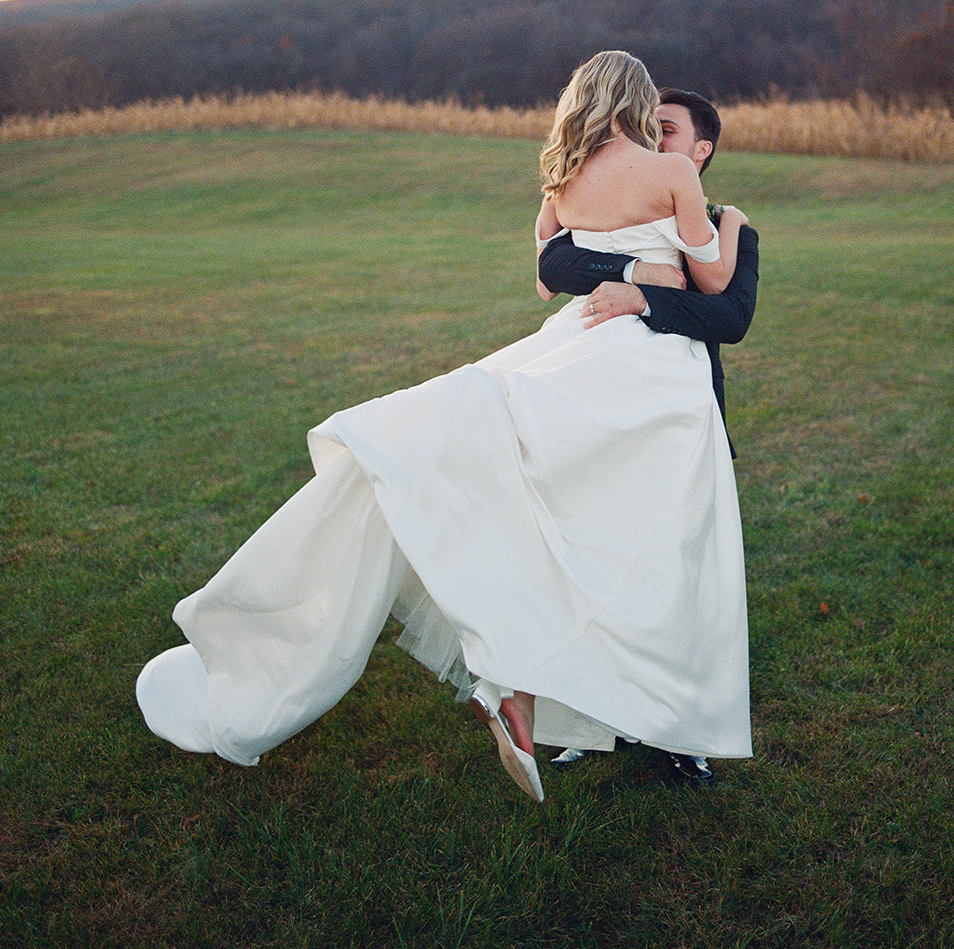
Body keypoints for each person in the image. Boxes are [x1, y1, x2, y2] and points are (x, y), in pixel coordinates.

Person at [136, 51, 752, 802]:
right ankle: (591, 693)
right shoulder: (675, 178)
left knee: (559, 515)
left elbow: (545, 271)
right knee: (636, 539)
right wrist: (661, 267)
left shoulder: (561, 180)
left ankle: (528, 674)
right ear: (636, 102)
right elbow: (715, 282)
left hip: (575, 346)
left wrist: (619, 273)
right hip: (652, 377)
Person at [537, 87, 759, 781]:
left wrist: (646, 299)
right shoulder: (606, 194)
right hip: (601, 410)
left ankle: (676, 730)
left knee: (675, 574)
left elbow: (729, 318)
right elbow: (559, 266)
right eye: (644, 124)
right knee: (595, 556)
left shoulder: (729, 227)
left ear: (700, 151)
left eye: (664, 130)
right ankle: (589, 714)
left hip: (679, 415)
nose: (646, 138)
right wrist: (633, 272)